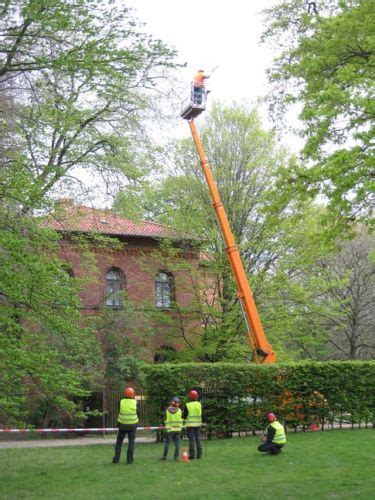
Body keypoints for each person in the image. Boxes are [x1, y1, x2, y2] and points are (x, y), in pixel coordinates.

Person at [112, 387, 139, 464]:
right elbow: (138, 412)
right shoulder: (135, 402)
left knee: (119, 442)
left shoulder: (121, 402)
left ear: (125, 394)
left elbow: (119, 411)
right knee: (131, 442)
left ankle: (116, 459)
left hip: (122, 425)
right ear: (133, 394)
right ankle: (129, 461)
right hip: (133, 425)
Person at [160, 396, 183, 461]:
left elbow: (164, 419)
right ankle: (175, 457)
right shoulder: (180, 410)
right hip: (178, 429)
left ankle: (164, 457)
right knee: (177, 444)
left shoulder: (167, 410)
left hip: (169, 430)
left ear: (172, 402)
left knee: (167, 443)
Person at [182, 389, 202, 459]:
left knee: (191, 441)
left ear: (190, 397)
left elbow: (184, 416)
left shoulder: (187, 405)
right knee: (198, 439)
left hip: (190, 425)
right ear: (196, 396)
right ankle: (199, 455)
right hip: (198, 425)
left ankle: (192, 456)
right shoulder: (199, 404)